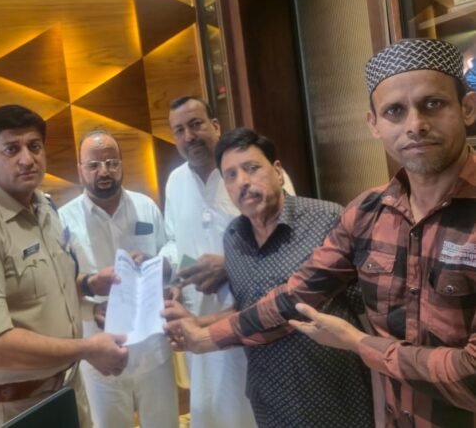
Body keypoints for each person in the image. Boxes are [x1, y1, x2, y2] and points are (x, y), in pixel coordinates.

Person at [165, 39, 476, 427]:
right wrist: (206, 337)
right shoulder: (367, 214)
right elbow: (294, 296)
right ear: (373, 124)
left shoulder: (325, 216)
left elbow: (471, 376)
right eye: (394, 111)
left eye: (433, 103)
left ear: (467, 108)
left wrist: (358, 344)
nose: (415, 125)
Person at [163, 127, 375, 427]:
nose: (242, 182)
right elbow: (250, 308)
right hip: (270, 398)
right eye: (231, 175)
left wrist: (205, 336)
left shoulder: (326, 219)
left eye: (252, 168)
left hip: (335, 391)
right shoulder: (234, 238)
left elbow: (360, 305)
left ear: (277, 171)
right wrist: (198, 322)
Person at [0, 105, 129, 428]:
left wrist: (88, 285)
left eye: (34, 146)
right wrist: (85, 349)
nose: (27, 159)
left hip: (67, 391)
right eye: (12, 149)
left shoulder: (44, 207)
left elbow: (46, 287)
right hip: (14, 407)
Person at [58, 129, 178, 428]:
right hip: (100, 353)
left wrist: (160, 264)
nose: (104, 171)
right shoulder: (63, 221)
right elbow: (58, 285)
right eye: (94, 165)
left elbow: (170, 247)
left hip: (152, 347)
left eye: (112, 162)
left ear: (122, 165)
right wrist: (90, 309)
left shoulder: (145, 206)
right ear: (80, 169)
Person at [159, 96, 257, 428]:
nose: (189, 136)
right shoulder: (175, 181)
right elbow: (176, 241)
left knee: (251, 407)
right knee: (211, 406)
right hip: (197, 316)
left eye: (196, 124)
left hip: (250, 313)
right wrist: (173, 275)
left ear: (215, 125)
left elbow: (284, 241)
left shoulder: (248, 170)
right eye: (179, 130)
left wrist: (228, 264)